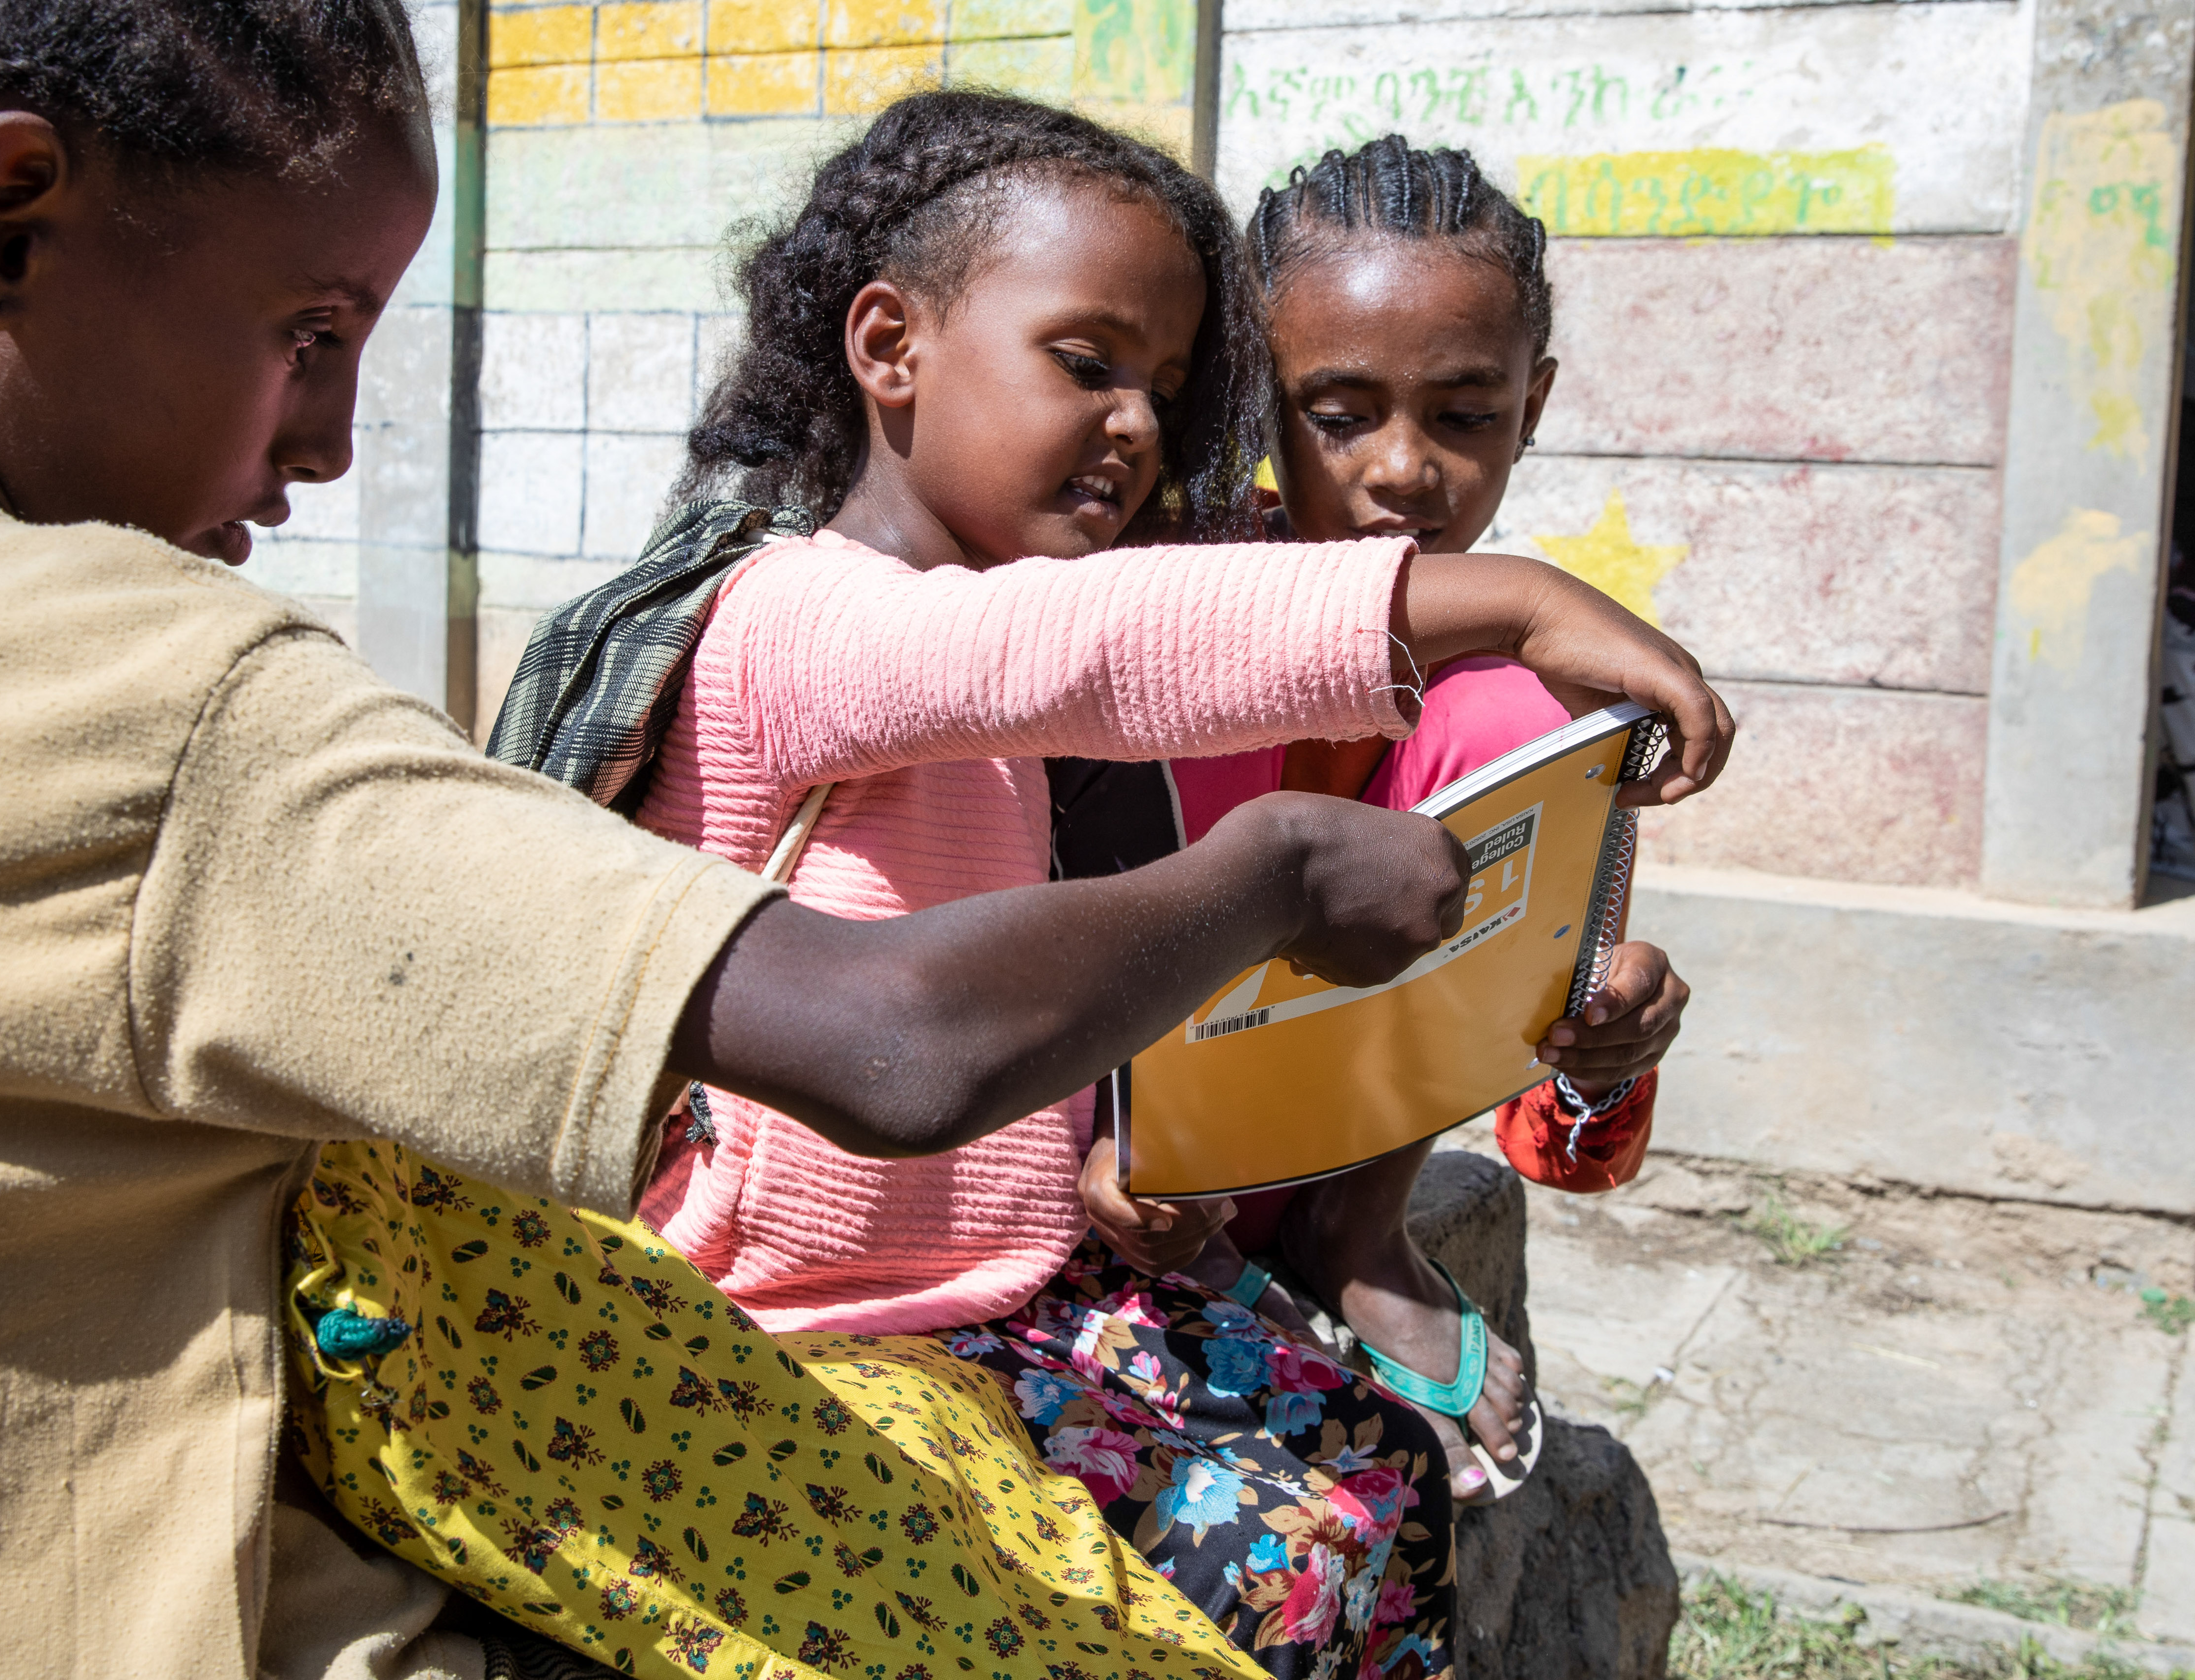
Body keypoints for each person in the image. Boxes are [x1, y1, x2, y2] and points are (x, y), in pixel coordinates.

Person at [0, 12, 1502, 1675]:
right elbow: (901, 1033)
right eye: (311, 330)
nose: (339, 440)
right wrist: (1310, 821)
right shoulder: (168, 704)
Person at [557, 92, 1723, 1679]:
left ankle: (1350, 1253)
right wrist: (1516, 597)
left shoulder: (992, 620)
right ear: (888, 348)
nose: (1134, 427)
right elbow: (1093, 652)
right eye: (1088, 366)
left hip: (1005, 1270)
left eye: (1166, 388)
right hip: (794, 1307)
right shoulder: (801, 617)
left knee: (1374, 1476)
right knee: (1274, 1563)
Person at [1072, 137, 1695, 1507]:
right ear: (1252, 401)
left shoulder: (1520, 684)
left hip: (1328, 1123)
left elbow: (1567, 1149)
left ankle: (1357, 1228)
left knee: (1532, 722)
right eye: (1340, 412)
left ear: (1531, 408)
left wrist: (1601, 1039)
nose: (1405, 468)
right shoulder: (1154, 584)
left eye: (1464, 414)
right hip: (1109, 1144)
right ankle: (1190, 1200)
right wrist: (1087, 1144)